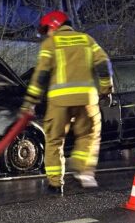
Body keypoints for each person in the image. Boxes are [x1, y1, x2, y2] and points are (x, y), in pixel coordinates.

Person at [20, 10, 114, 194]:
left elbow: (40, 76)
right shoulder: (87, 40)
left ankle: (55, 184)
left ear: (54, 25)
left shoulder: (51, 43)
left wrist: (30, 102)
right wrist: (106, 90)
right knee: (88, 136)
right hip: (86, 100)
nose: (46, 33)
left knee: (54, 141)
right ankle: (83, 169)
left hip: (59, 102)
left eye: (47, 29)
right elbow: (104, 64)